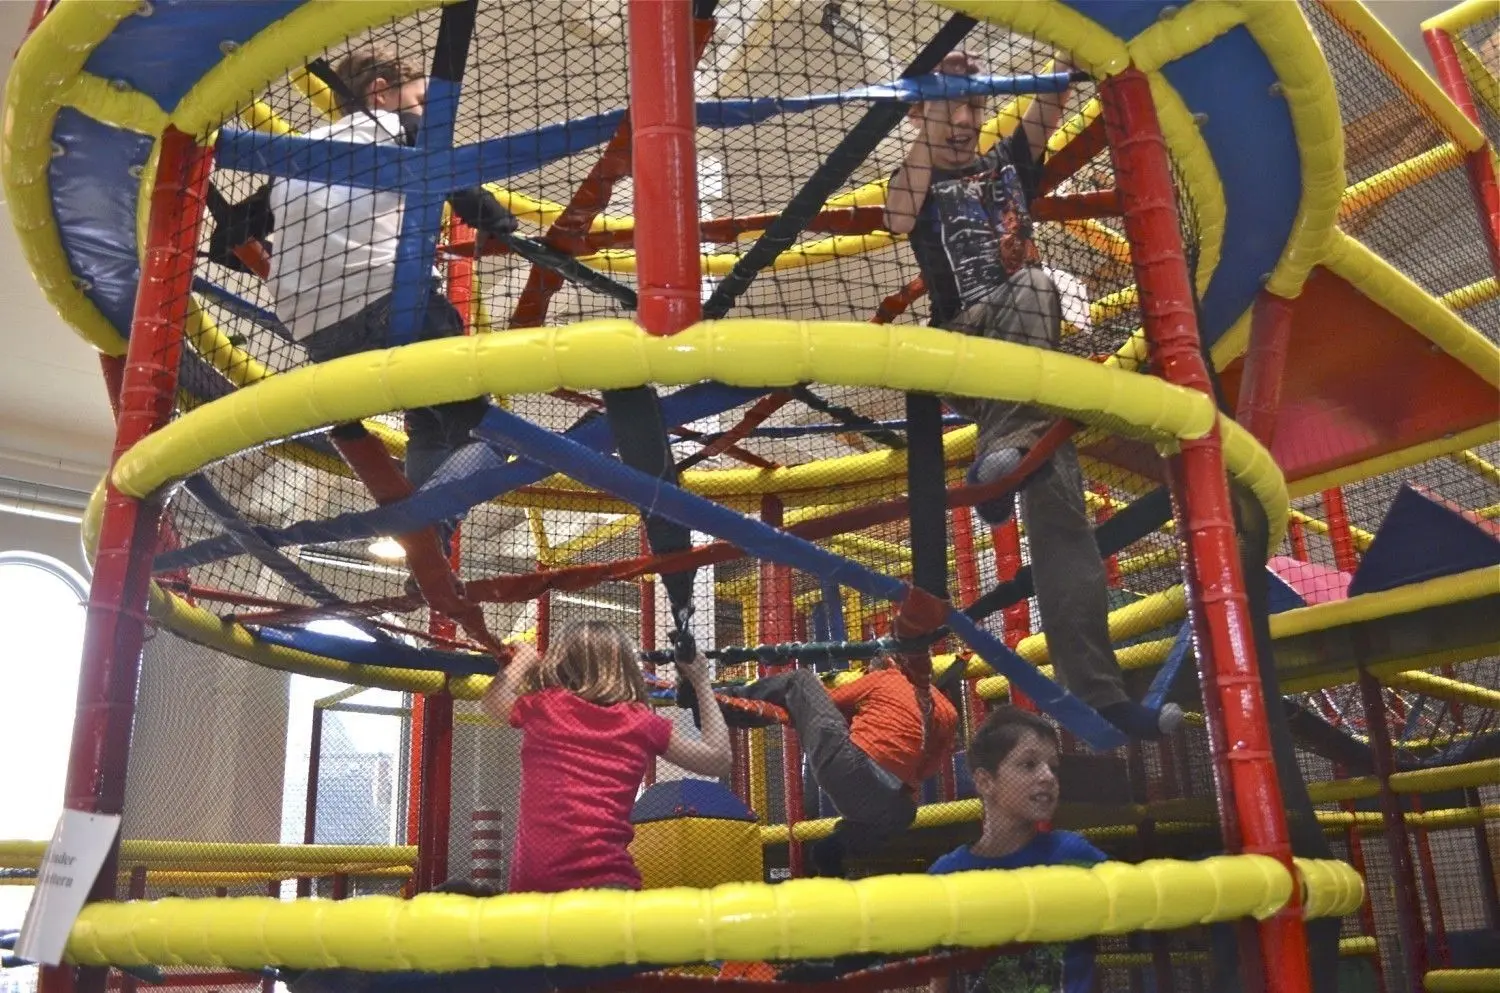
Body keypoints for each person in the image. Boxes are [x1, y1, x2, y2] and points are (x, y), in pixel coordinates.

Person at [885, 51, 1180, 741]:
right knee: (1037, 286)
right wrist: (927, 119)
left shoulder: (1009, 163)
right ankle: (1001, 463)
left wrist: (1068, 52)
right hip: (968, 349)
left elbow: (1051, 98)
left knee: (1064, 518)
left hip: (1029, 385)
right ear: (921, 111)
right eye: (947, 106)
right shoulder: (917, 179)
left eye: (973, 106)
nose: (963, 120)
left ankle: (1101, 696)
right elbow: (898, 218)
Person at [267, 44, 519, 553]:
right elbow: (460, 184)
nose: (427, 112)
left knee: (427, 423)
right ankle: (425, 522)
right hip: (388, 308)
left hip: (316, 335)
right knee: (491, 439)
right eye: (420, 98)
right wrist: (500, 223)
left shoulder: (294, 153)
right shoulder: (393, 130)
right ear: (379, 93)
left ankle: (428, 525)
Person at [481, 620, 732, 893]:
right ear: (624, 668)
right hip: (608, 884)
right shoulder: (641, 722)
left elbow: (493, 702)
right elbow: (718, 759)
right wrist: (702, 683)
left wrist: (523, 662)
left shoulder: (546, 707)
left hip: (537, 886)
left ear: (560, 664)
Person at [696, 657, 958, 877]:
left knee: (799, 682)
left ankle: (717, 705)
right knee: (906, 815)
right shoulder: (948, 713)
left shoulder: (886, 678)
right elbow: (925, 772)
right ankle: (834, 850)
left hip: (847, 768)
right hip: (891, 807)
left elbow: (825, 702)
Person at [928, 707, 1107, 993]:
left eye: (1053, 767)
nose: (1048, 776)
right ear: (986, 781)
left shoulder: (1073, 855)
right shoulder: (948, 874)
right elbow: (941, 977)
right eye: (1028, 764)